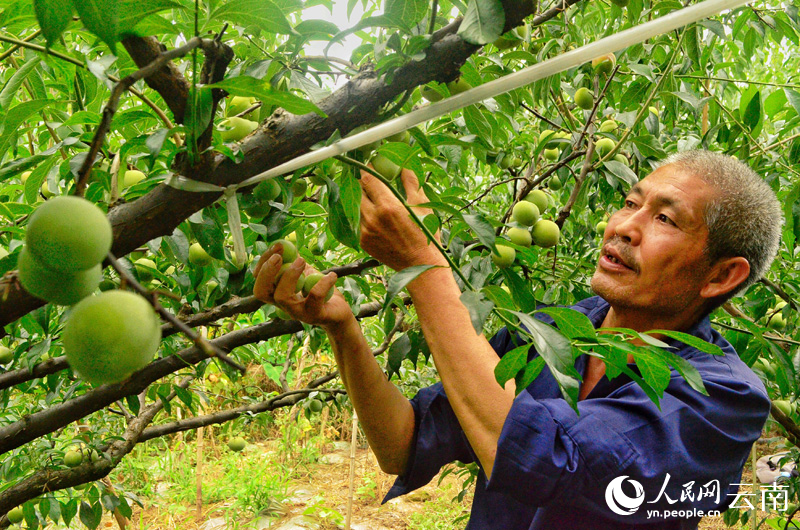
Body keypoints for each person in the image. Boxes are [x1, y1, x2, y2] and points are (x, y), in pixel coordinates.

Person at [253, 149, 782, 529]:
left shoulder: (723, 397)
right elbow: (404, 442)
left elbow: (549, 458)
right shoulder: (555, 333)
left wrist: (424, 266)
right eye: (629, 202)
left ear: (720, 276)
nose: (622, 226)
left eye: (664, 217)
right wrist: (343, 330)